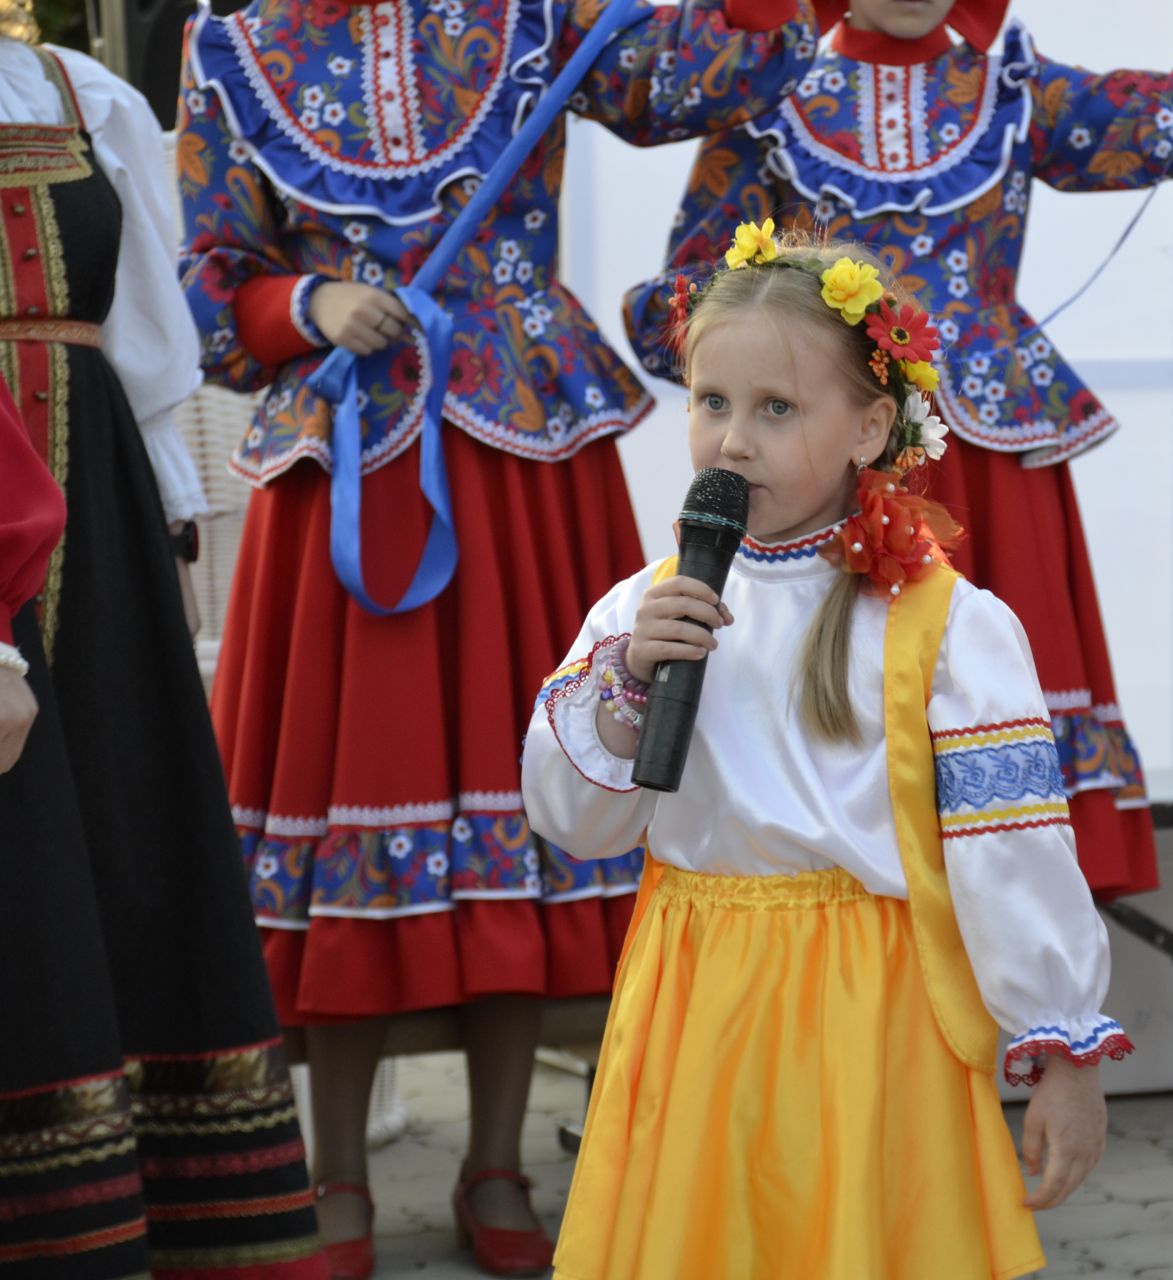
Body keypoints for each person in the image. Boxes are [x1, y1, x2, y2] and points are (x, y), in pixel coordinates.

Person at [174, 1, 819, 1274]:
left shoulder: (537, 11)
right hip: (350, 460)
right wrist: (311, 299)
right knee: (355, 803)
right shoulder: (235, 44)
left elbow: (702, 80)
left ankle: (501, 1161)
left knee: (535, 813)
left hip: (519, 453)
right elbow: (204, 285)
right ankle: (336, 1171)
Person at [524, 229, 1128, 1279]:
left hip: (867, 1011)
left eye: (776, 408)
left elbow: (1012, 850)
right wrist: (625, 685)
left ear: (871, 425)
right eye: (711, 402)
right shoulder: (648, 606)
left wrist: (1060, 1045)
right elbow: (579, 822)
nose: (732, 442)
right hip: (690, 998)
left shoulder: (947, 622)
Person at [622, 0, 1173, 900]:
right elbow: (691, 303)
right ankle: (850, 947)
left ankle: (1024, 999)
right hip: (834, 470)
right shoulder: (774, 89)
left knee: (1001, 728)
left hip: (991, 461)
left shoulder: (1012, 85)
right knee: (852, 729)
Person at [0, 30, 326, 1278]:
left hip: (98, 514)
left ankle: (158, 1210)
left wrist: (172, 516)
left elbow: (145, 341)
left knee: (125, 827)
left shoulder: (89, 98)